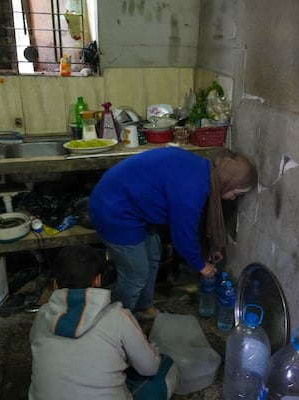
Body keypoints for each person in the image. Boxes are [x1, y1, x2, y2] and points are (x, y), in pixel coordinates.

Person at [88, 147, 257, 320]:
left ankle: (142, 307)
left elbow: (194, 219)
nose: (234, 198)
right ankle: (118, 323)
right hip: (114, 209)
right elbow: (183, 235)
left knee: (153, 257)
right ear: (227, 181)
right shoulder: (193, 188)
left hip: (133, 205)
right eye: (236, 193)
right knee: (135, 274)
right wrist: (200, 265)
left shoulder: (205, 171)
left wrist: (209, 249)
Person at [29, 245, 177, 400]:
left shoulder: (42, 314)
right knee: (166, 367)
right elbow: (150, 368)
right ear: (98, 280)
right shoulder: (117, 316)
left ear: (55, 285)